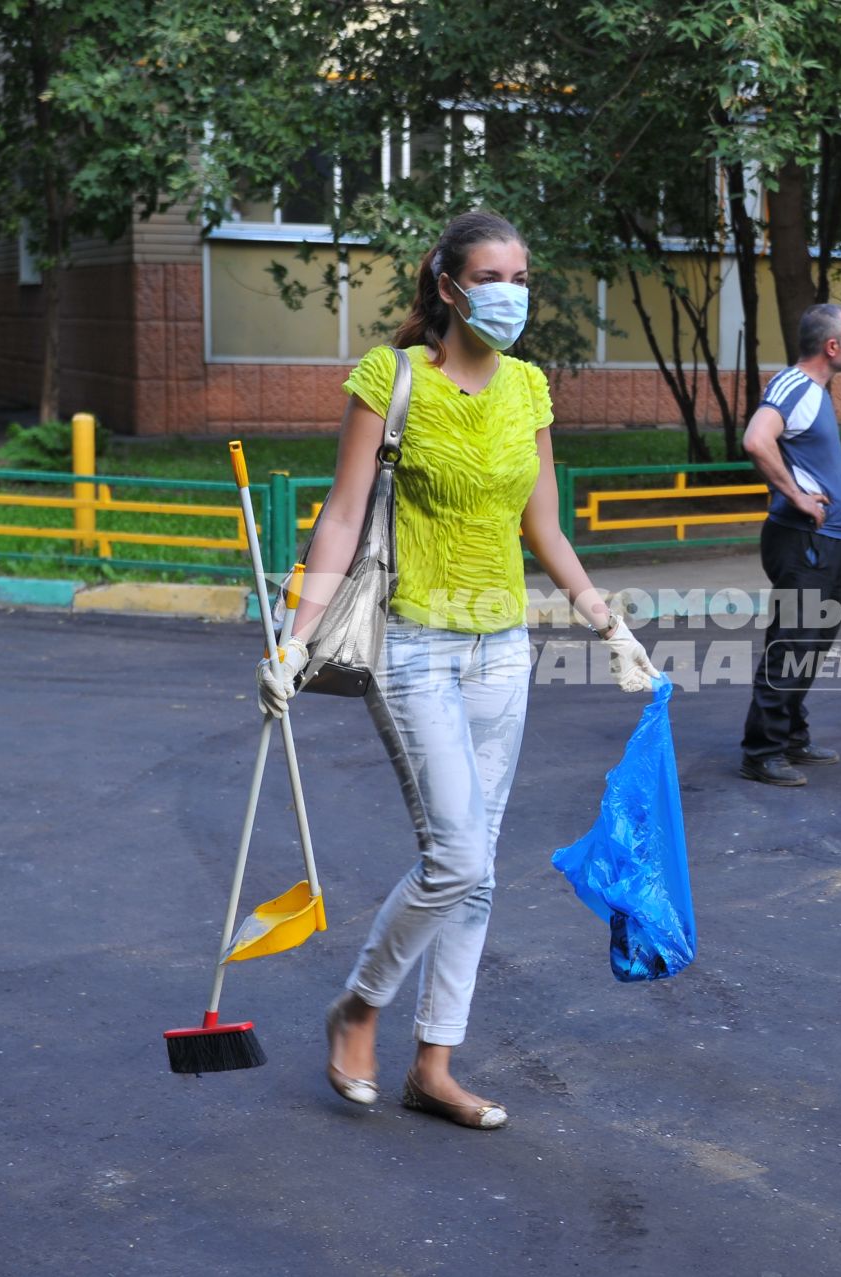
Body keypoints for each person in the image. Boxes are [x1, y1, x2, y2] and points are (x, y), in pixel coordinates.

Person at [254, 210, 661, 1130]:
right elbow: (343, 515)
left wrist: (609, 625)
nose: (511, 293)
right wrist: (292, 634)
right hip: (413, 643)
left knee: (478, 873)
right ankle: (357, 1008)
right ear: (448, 286)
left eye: (522, 275)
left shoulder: (529, 389)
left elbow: (544, 525)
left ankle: (433, 1064)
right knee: (457, 853)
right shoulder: (390, 380)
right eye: (492, 276)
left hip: (501, 650)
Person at [737, 303, 841, 787]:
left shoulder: (814, 392)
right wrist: (798, 496)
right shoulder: (795, 386)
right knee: (793, 642)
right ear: (831, 347)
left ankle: (790, 735)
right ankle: (761, 751)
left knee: (813, 639)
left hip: (823, 540)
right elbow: (755, 439)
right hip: (801, 538)